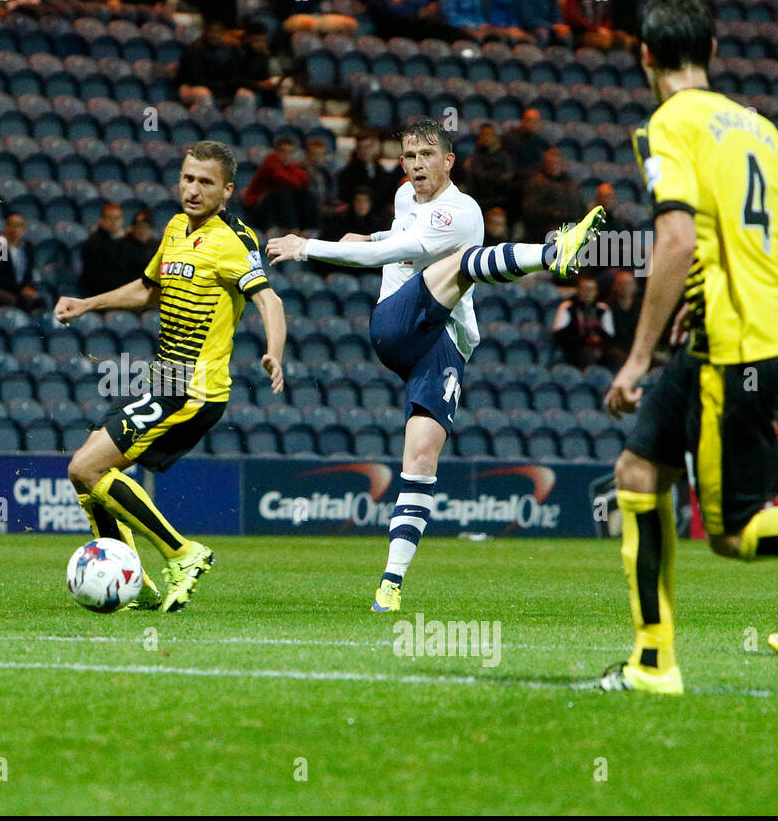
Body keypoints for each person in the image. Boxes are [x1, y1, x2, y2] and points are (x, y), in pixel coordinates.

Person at [266, 118, 605, 613]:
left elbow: (403, 248)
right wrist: (369, 236)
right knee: (466, 262)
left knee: (421, 460)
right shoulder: (408, 199)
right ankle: (552, 253)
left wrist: (309, 247)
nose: (416, 164)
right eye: (408, 156)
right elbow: (399, 239)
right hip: (398, 326)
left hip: (443, 346)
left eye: (426, 155)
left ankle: (391, 584)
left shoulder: (461, 211)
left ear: (448, 161)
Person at [600, 0, 778, 693]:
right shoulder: (760, 127)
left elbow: (677, 238)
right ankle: (653, 664)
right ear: (712, 53)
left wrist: (636, 357)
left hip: (734, 344)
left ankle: (653, 663)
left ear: (645, 54)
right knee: (638, 472)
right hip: (748, 329)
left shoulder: (667, 125)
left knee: (733, 532)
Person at [56, 140, 286, 613]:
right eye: (187, 178)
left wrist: (274, 352)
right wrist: (87, 304)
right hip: (164, 382)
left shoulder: (236, 240)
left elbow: (270, 300)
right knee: (89, 477)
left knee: (86, 467)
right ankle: (133, 581)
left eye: (205, 182)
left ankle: (183, 553)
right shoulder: (176, 227)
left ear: (227, 190)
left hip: (195, 389)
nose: (193, 189)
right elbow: (147, 290)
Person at [242, 136, 317, 234]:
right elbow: (290, 181)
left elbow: (305, 180)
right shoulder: (270, 163)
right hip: (257, 206)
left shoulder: (290, 166)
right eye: (283, 151)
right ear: (276, 152)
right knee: (282, 194)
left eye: (290, 152)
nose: (286, 155)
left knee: (306, 194)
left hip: (277, 207)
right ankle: (292, 229)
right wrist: (295, 175)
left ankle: (311, 229)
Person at [521, 148, 583, 245]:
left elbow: (580, 204)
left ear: (562, 164)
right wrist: (555, 214)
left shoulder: (570, 182)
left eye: (557, 162)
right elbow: (531, 209)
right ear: (544, 164)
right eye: (550, 162)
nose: (554, 166)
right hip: (546, 230)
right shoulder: (537, 182)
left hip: (572, 226)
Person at [552, 273, 614, 368]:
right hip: (575, 348)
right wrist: (585, 340)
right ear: (578, 290)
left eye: (591, 289)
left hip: (599, 348)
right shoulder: (567, 306)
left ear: (596, 292)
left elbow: (609, 335)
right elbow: (559, 334)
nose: (588, 292)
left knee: (616, 356)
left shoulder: (603, 309)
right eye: (585, 289)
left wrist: (599, 346)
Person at [0, 210, 44, 312]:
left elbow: (28, 273)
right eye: (11, 225)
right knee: (21, 302)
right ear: (5, 227)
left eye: (18, 225)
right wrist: (21, 289)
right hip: (4, 289)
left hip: (22, 289)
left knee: (41, 302)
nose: (14, 229)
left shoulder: (27, 247)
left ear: (23, 229)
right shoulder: (0, 246)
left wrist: (28, 288)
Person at [80, 202, 133, 298]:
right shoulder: (92, 244)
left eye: (117, 218)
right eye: (109, 218)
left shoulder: (129, 243)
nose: (113, 222)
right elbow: (93, 275)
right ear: (101, 220)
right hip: (100, 295)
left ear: (122, 221)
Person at [604, 269, 639, 368]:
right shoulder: (606, 307)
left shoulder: (642, 307)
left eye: (628, 283)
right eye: (621, 284)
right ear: (615, 286)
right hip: (615, 350)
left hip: (636, 348)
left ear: (634, 286)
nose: (625, 287)